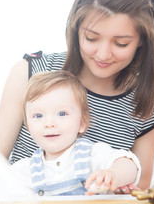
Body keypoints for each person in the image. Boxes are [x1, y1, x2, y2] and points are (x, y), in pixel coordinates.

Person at [0, 0, 154, 204]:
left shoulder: (148, 107)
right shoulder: (30, 73)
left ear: (142, 40)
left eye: (121, 43)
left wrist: (140, 191)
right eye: (91, 38)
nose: (102, 53)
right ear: (76, 29)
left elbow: (135, 192)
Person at [11, 70, 141, 196]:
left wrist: (114, 174)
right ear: (28, 126)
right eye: (38, 115)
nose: (49, 123)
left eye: (62, 113)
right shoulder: (21, 171)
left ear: (82, 123)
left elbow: (129, 164)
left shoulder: (92, 154)